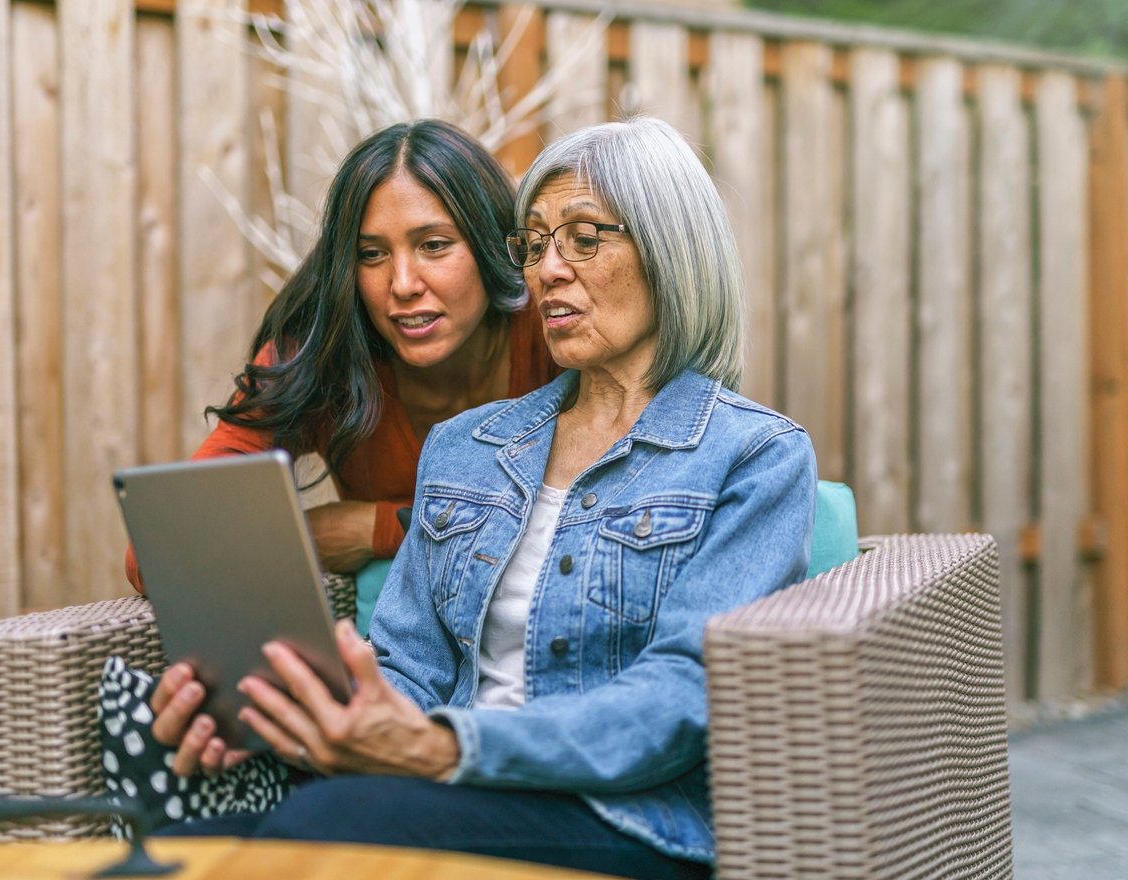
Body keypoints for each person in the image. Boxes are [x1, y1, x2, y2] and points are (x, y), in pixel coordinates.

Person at [149, 117, 817, 880]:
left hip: (630, 822)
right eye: (534, 245)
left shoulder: (755, 457)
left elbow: (677, 698)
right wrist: (301, 720)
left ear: (671, 250)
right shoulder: (468, 446)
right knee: (186, 847)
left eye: (583, 237)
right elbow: (407, 665)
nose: (548, 270)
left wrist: (442, 747)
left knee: (322, 828)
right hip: (446, 792)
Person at [125, 119, 557, 592]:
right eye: (371, 254)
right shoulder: (326, 351)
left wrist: (377, 527)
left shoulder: (552, 327)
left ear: (492, 243)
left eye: (434, 245)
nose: (403, 284)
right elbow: (156, 554)